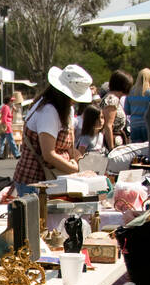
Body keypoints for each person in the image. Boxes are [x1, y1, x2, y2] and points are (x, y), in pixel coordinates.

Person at [10, 63, 92, 196]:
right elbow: (48, 154)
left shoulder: (62, 109)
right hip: (36, 182)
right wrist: (74, 169)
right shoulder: (49, 111)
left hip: (49, 180)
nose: (75, 102)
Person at [125, 67, 150, 143]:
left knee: (136, 150)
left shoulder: (131, 92)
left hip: (134, 126)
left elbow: (127, 111)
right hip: (148, 126)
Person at [0, 94, 20, 159]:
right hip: (7, 126)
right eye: (11, 101)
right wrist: (5, 125)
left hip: (5, 125)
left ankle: (0, 154)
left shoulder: (6, 107)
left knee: (2, 141)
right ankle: (16, 154)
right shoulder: (6, 107)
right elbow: (4, 117)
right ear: (8, 101)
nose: (12, 103)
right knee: (11, 140)